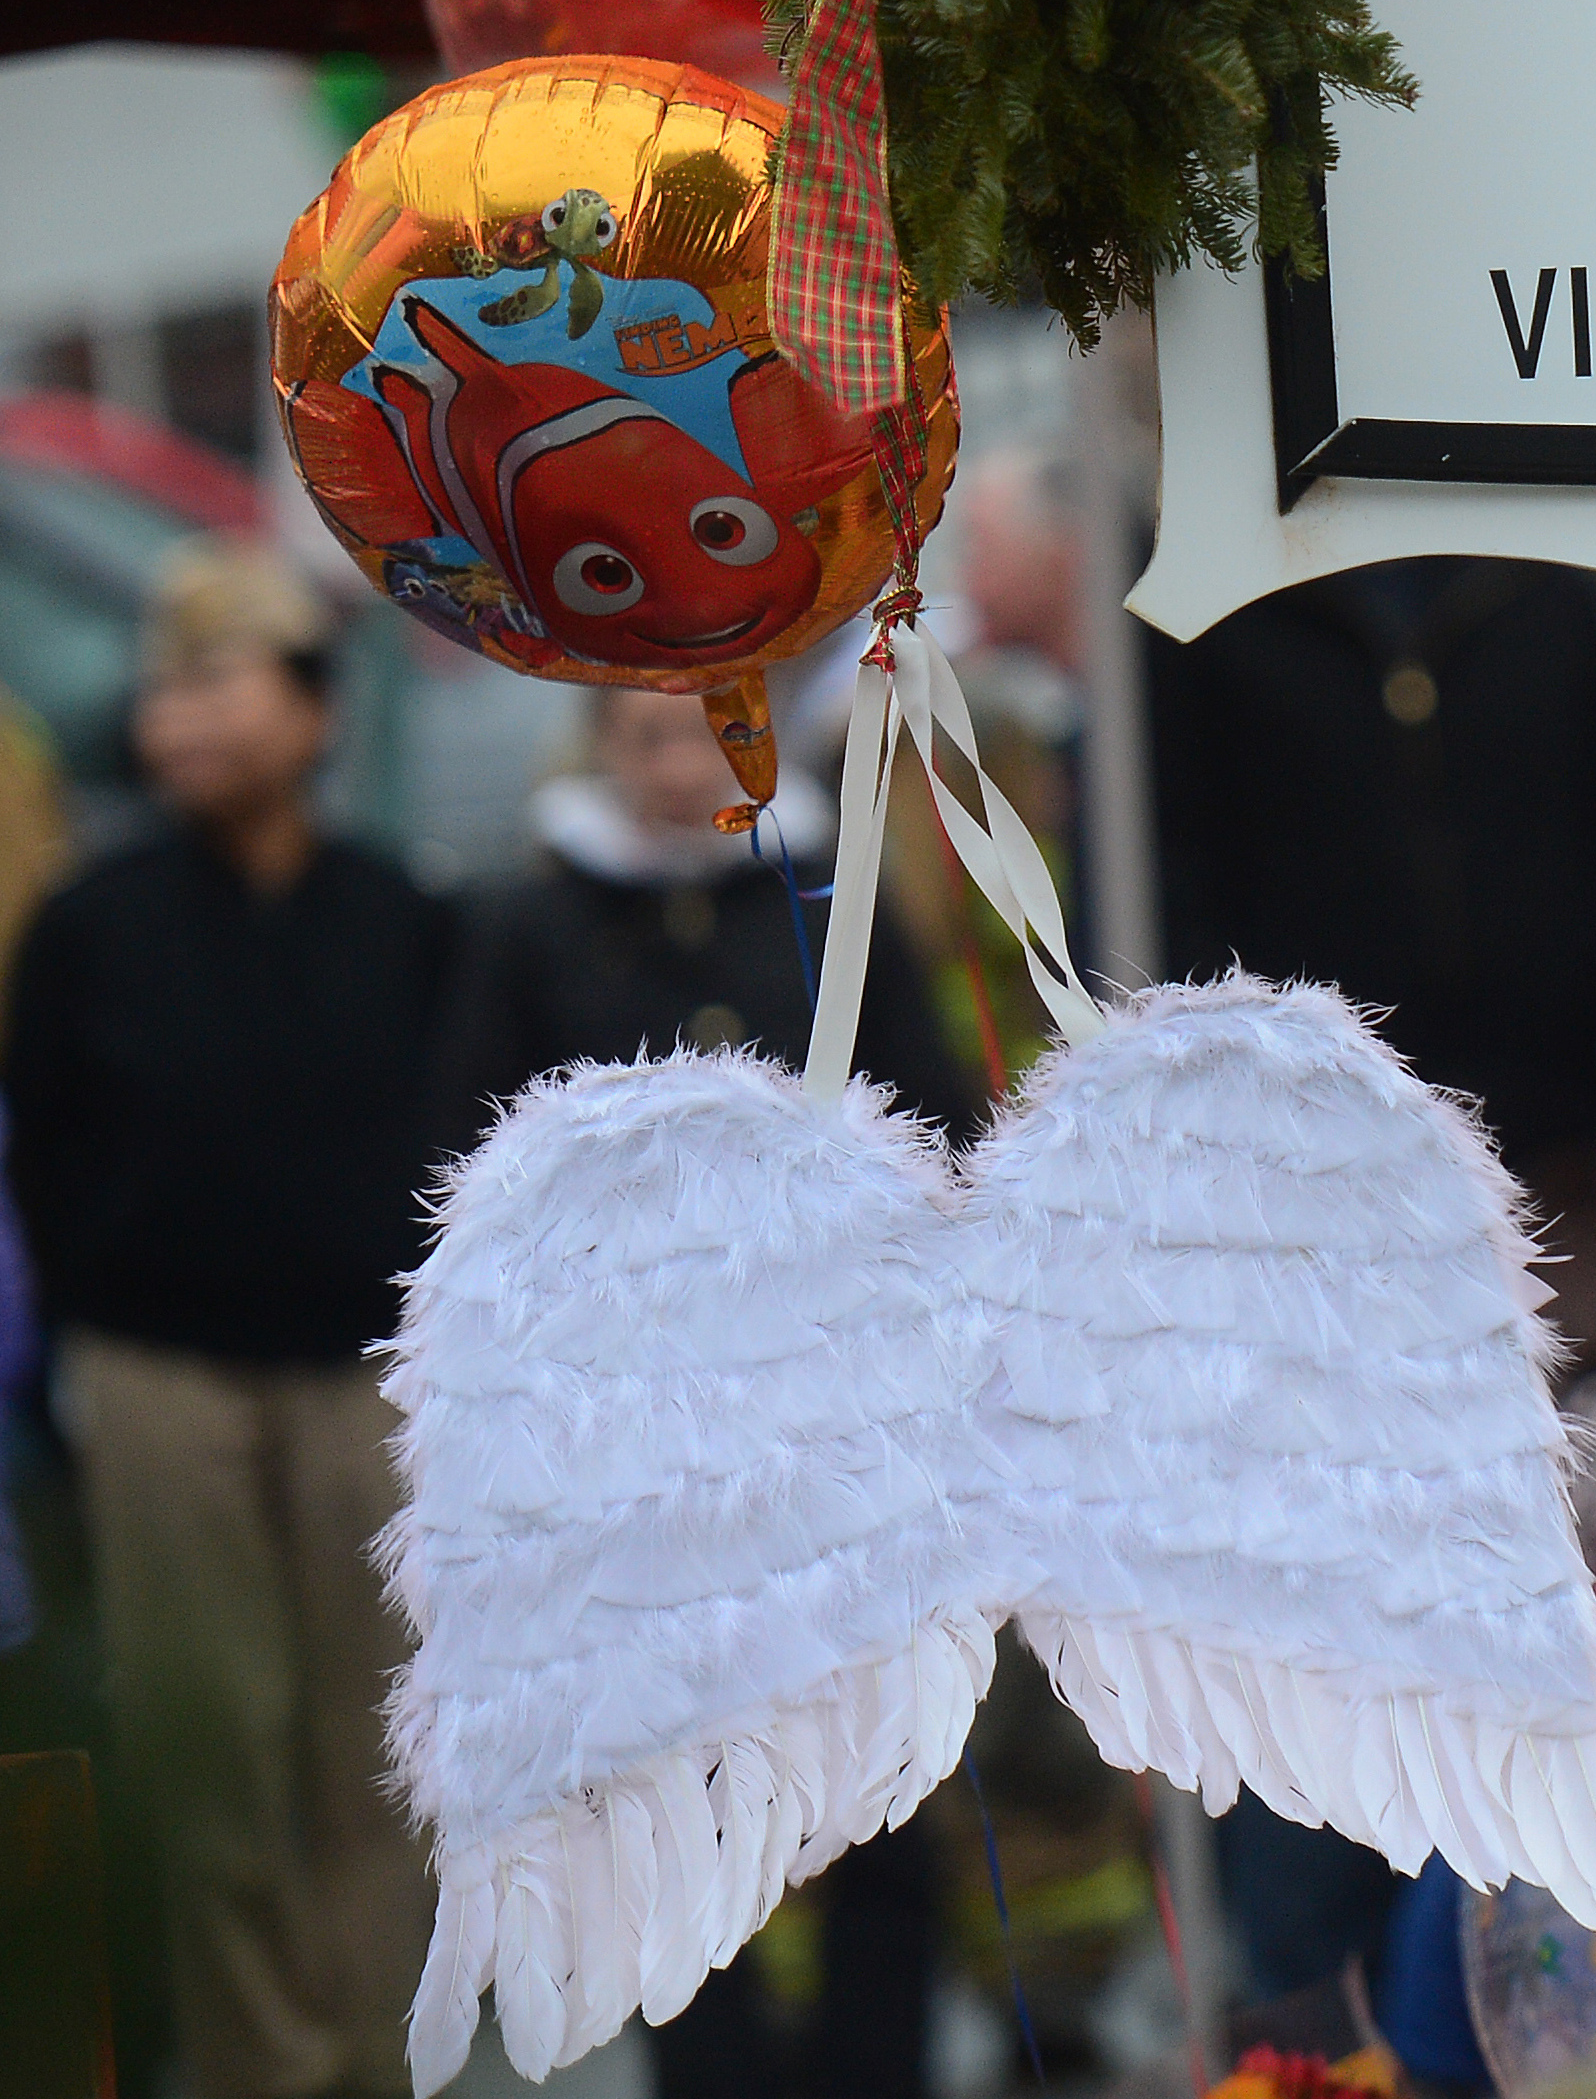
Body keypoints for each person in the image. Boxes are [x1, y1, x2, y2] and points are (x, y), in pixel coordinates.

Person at [441, 680, 977, 2099]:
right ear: (600, 752)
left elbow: (931, 1120)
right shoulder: (533, 922)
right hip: (634, 1430)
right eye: (646, 737)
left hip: (832, 1411)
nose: (678, 765)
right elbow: (474, 1170)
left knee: (874, 1766)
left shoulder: (824, 904)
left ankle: (878, 2068)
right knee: (671, 1778)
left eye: (703, 733)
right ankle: (715, 2071)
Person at [2, 543, 452, 2099]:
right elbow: (46, 1153)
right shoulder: (90, 926)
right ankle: (264, 2065)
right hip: (159, 1381)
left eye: (217, 676)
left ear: (315, 710)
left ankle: (381, 2059)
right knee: (213, 1752)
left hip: (361, 1382)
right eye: (162, 683)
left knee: (377, 1749)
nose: (178, 712)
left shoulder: (397, 914)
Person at [1142, 556, 1596, 1370]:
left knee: (1562, 1385)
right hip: (1317, 1128)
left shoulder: (1541, 588)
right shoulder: (1214, 612)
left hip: (1550, 1113)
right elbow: (1175, 865)